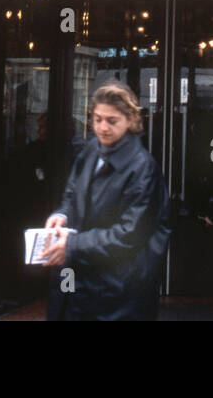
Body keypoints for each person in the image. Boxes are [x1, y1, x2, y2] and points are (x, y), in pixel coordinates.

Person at [42, 82, 170, 320]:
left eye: (112, 121)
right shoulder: (91, 149)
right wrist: (63, 214)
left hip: (119, 289)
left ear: (131, 120)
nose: (103, 127)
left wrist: (73, 245)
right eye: (97, 119)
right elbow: (72, 191)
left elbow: (131, 233)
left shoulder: (143, 167)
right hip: (86, 280)